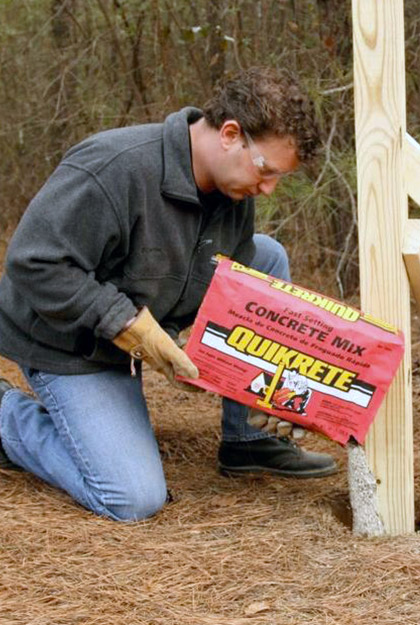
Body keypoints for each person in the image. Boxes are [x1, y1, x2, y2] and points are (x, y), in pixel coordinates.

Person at [0, 67, 338, 522]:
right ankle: (7, 415)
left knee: (266, 261)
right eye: (265, 170)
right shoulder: (114, 167)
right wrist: (127, 325)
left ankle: (249, 441)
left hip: (146, 315)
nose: (268, 188)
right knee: (131, 497)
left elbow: (232, 294)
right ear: (230, 134)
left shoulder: (234, 193)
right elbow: (33, 263)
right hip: (66, 341)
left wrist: (271, 383)